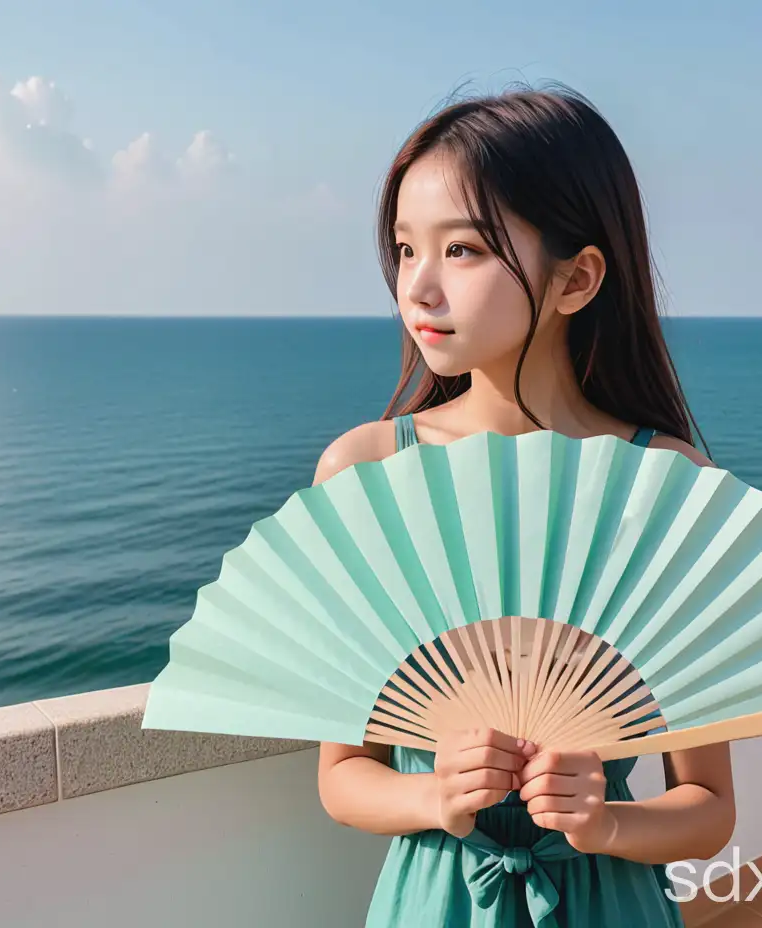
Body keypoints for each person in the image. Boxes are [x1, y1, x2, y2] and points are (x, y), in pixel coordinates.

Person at [313, 81, 737, 927]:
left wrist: (607, 818)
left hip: (607, 900)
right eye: (404, 249)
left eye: (463, 250)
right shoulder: (364, 471)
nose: (419, 287)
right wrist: (436, 794)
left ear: (577, 278)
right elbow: (340, 777)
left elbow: (710, 808)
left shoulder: (663, 484)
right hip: (435, 903)